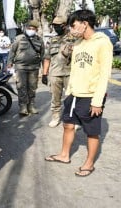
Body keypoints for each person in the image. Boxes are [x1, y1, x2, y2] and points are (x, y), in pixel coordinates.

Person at [45, 10, 113, 177]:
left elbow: (105, 74)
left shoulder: (102, 42)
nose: (71, 29)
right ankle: (64, 155)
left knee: (91, 131)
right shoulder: (79, 43)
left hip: (91, 95)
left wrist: (97, 100)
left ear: (85, 23)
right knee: (67, 125)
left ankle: (89, 164)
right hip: (74, 94)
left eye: (73, 25)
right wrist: (69, 92)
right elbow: (74, 69)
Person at [42, 16, 77, 127]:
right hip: (55, 74)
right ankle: (55, 117)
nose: (56, 28)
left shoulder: (74, 39)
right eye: (54, 26)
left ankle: (73, 119)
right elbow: (47, 58)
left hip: (70, 73)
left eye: (57, 26)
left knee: (72, 98)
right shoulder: (53, 40)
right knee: (55, 98)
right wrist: (44, 73)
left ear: (64, 26)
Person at [7, 20, 45, 116]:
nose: (31, 30)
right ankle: (23, 107)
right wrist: (9, 63)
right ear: (26, 28)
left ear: (36, 30)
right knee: (21, 87)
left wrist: (45, 70)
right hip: (20, 67)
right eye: (29, 28)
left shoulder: (39, 40)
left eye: (33, 29)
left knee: (32, 87)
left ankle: (31, 106)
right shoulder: (19, 38)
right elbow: (12, 51)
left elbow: (43, 54)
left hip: (34, 67)